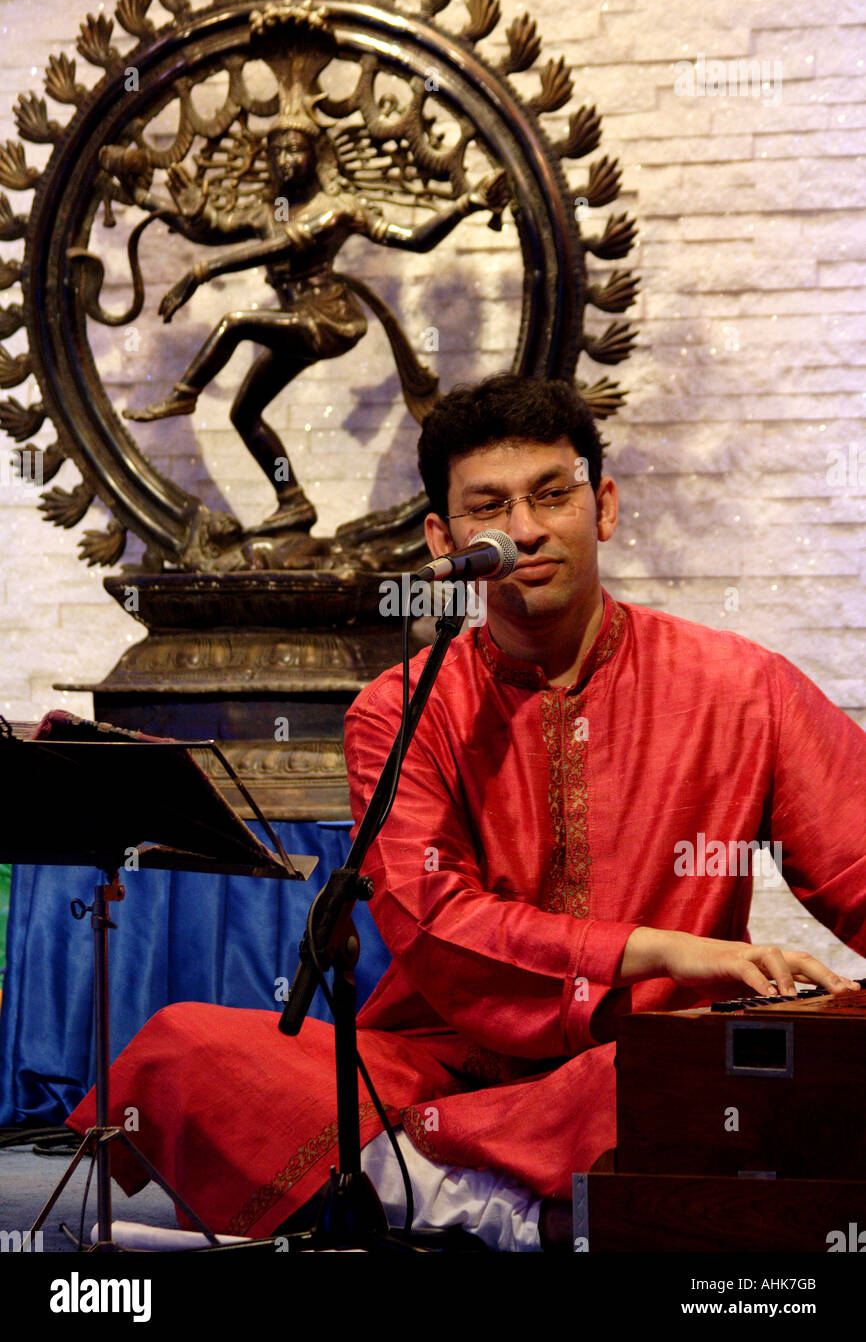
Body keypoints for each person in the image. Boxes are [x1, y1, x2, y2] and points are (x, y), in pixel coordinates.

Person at [67, 373, 866, 1251]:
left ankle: (437, 1196)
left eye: (552, 495)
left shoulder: (741, 686)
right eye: (491, 507)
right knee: (188, 1050)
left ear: (601, 506)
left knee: (714, 1079)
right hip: (439, 1065)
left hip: (640, 1054)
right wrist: (666, 949)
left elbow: (858, 856)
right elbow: (433, 919)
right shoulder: (401, 707)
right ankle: (525, 1204)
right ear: (446, 541)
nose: (525, 530)